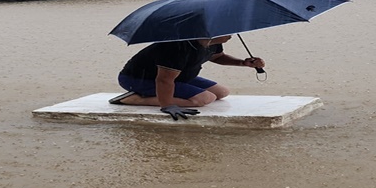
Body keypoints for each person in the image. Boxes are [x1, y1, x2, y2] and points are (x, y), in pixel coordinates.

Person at [109, 35, 265, 120]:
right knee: (204, 99)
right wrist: (168, 105)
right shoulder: (178, 48)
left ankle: (153, 95)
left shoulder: (213, 42)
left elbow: (218, 57)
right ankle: (136, 99)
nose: (230, 33)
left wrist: (244, 63)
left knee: (222, 92)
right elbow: (164, 80)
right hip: (137, 79)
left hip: (179, 77)